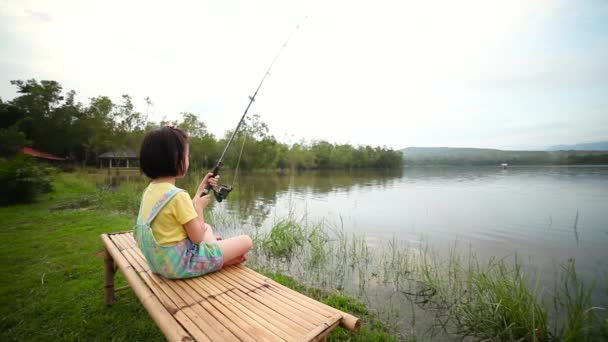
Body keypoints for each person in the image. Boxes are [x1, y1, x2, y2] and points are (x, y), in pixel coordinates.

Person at [134, 125, 252, 279]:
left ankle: (219, 256)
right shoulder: (178, 196)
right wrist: (199, 208)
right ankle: (220, 260)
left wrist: (199, 191)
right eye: (187, 155)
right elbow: (196, 238)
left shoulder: (151, 190)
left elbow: (179, 215)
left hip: (159, 262)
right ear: (175, 159)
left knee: (207, 228)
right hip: (181, 266)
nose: (188, 159)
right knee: (246, 241)